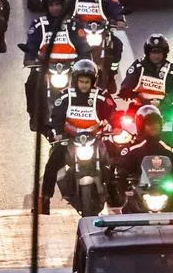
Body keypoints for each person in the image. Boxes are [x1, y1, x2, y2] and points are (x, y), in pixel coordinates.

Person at [42, 59, 117, 214]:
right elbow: (56, 117)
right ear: (75, 80)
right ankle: (45, 199)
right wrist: (57, 133)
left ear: (93, 81)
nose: (84, 85)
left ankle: (114, 194)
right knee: (52, 163)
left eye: (87, 81)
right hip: (70, 141)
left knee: (117, 158)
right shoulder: (64, 96)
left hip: (97, 141)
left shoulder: (102, 97)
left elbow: (113, 114)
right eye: (81, 81)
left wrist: (116, 127)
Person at [24, 0, 90, 130]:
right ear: (46, 7)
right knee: (32, 84)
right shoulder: (38, 25)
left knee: (88, 85)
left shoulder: (73, 25)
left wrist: (84, 60)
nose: (55, 8)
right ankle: (35, 118)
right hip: (46, 69)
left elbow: (83, 47)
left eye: (58, 4)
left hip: (72, 69)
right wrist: (30, 58)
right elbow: (32, 45)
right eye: (52, 5)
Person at [70, 0, 126, 86]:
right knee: (71, 48)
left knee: (117, 46)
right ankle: (72, 76)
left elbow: (113, 3)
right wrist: (64, 18)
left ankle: (111, 75)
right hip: (81, 29)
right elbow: (68, 3)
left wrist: (119, 19)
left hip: (101, 29)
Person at [113, 105, 173, 197]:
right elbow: (123, 166)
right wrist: (122, 178)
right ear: (141, 125)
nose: (153, 126)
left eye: (156, 123)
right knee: (130, 206)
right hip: (141, 189)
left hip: (166, 189)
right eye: (149, 123)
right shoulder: (133, 147)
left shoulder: (168, 145)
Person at [119, 34, 173, 107]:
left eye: (159, 52)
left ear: (165, 53)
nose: (156, 56)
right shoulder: (138, 65)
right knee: (122, 118)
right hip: (139, 108)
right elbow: (128, 80)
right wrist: (125, 90)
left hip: (166, 109)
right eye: (153, 52)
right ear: (147, 53)